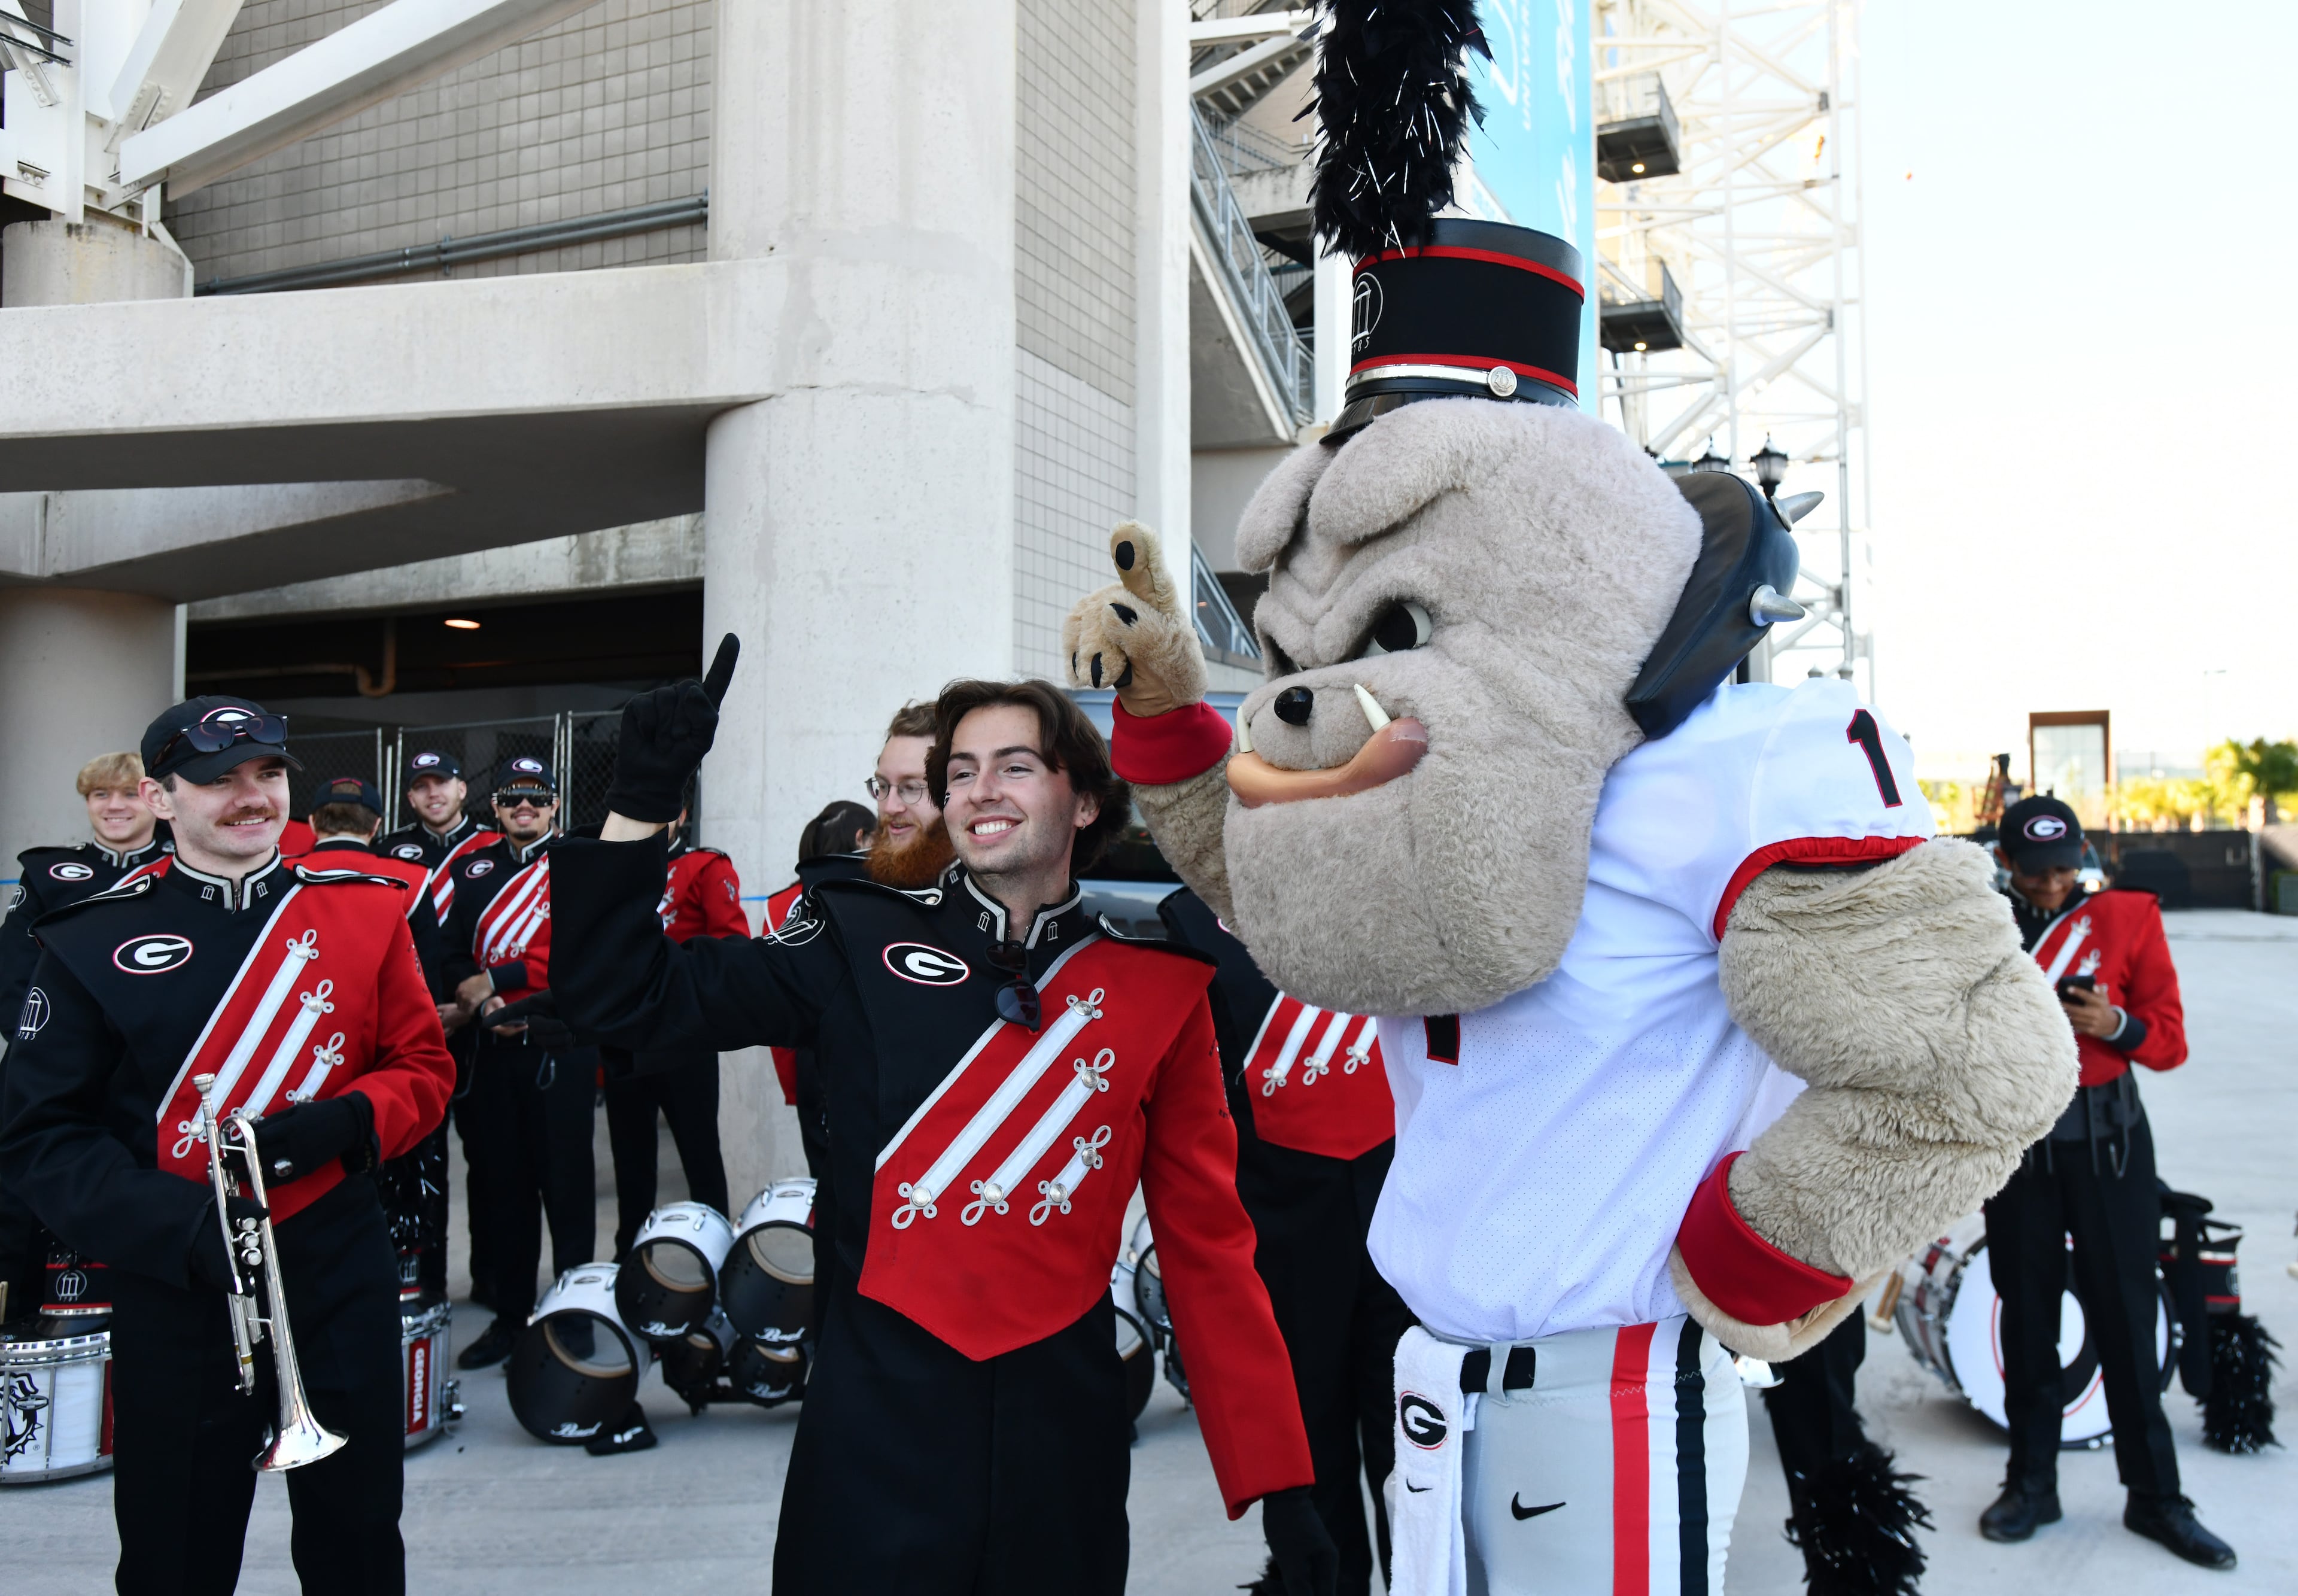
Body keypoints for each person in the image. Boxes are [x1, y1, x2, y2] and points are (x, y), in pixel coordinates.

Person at [534, 649, 1335, 1596]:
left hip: (1064, 1449)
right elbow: (623, 998)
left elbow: (1209, 1250)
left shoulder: (1159, 981)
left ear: (1084, 802)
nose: (978, 789)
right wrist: (640, 798)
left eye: (1015, 765)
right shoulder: (850, 932)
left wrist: (1281, 1486)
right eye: (961, 770)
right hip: (874, 1432)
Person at [0, 697, 453, 1594]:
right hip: (179, 1282)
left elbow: (425, 1066)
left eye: (268, 773)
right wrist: (182, 1223)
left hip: (336, 1263)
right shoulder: (92, 935)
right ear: (161, 797)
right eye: (217, 780)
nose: (251, 796)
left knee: (359, 1538)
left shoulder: (367, 910)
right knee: (176, 1549)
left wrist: (352, 1119)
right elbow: (40, 1136)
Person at [1978, 795, 2234, 1569]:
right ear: (2005, 864)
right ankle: (2031, 1482)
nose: (2051, 886)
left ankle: (2156, 1495)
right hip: (2021, 1150)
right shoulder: (1979, 927)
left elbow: (2171, 1040)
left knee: (2126, 1318)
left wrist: (2114, 1025)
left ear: (2083, 856)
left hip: (2111, 1145)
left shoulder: (2127, 918)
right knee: (2027, 1320)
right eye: (2033, 872)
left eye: (2063, 869)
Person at [1159, 888, 1413, 1596]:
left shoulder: (1388, 880)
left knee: (1424, 1466)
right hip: (1280, 1238)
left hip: (1412, 1224)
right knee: (1313, 1474)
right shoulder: (1188, 917)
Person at [1, 752, 172, 1324]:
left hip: (152, 1081)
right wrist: (59, 1057)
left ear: (153, 799)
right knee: (28, 1205)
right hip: (55, 1074)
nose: (114, 807)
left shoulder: (185, 874)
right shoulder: (49, 874)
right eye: (101, 796)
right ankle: (27, 1328)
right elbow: (13, 979)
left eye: (127, 795)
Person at [442, 756, 597, 1370]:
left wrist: (498, 985)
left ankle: (575, 1312)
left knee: (567, 1186)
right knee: (502, 1189)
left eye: (536, 799)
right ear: (497, 809)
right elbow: (446, 946)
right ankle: (510, 1317)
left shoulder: (579, 863)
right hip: (492, 1050)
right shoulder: (470, 868)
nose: (524, 808)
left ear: (555, 806)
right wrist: (473, 993)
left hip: (558, 1043)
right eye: (512, 800)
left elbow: (576, 946)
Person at [300, 777, 455, 1302]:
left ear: (315, 823)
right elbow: (427, 989)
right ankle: (418, 1289)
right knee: (407, 1188)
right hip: (384, 1069)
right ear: (377, 825)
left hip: (305, 1062)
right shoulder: (409, 878)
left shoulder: (285, 876)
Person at [602, 807, 737, 1258]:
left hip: (684, 1041)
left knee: (700, 1157)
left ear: (680, 813)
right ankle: (630, 1268)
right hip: (625, 1037)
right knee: (631, 1164)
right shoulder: (613, 874)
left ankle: (717, 1261)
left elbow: (730, 951)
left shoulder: (705, 866)